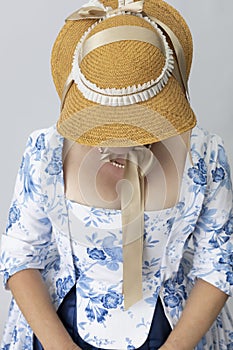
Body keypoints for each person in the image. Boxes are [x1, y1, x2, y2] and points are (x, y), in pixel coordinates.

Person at [1, 0, 233, 349]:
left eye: (139, 122)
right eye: (104, 124)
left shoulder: (205, 155)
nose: (121, 138)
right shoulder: (46, 150)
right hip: (58, 329)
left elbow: (218, 266)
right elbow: (20, 255)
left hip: (177, 329)